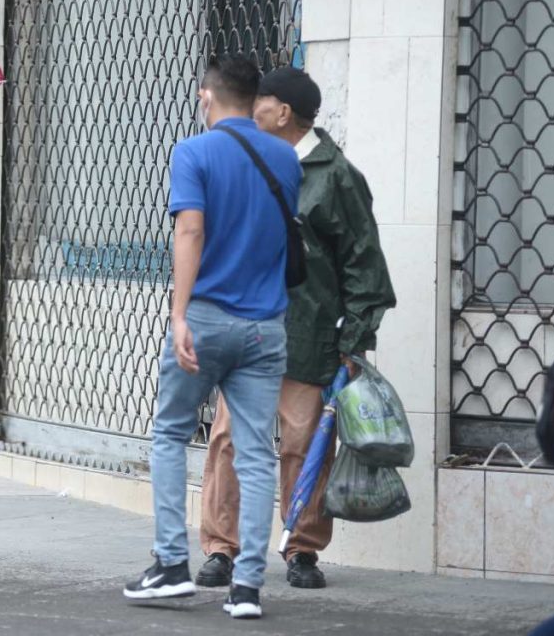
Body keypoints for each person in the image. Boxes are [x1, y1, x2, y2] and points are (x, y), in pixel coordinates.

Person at [196, 66, 395, 591]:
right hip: (245, 326)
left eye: (258, 101)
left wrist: (353, 340)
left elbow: (363, 263)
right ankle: (221, 548)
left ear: (283, 112)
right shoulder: (244, 159)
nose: (249, 109)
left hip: (308, 336)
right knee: (229, 441)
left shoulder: (336, 177)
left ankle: (302, 549)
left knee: (303, 445)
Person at [124, 54, 301, 620]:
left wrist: (179, 316)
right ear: (256, 99)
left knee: (171, 432)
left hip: (206, 318)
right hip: (265, 326)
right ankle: (247, 587)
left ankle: (172, 566)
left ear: (206, 96)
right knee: (255, 453)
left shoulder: (192, 151)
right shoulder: (285, 156)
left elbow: (190, 228)